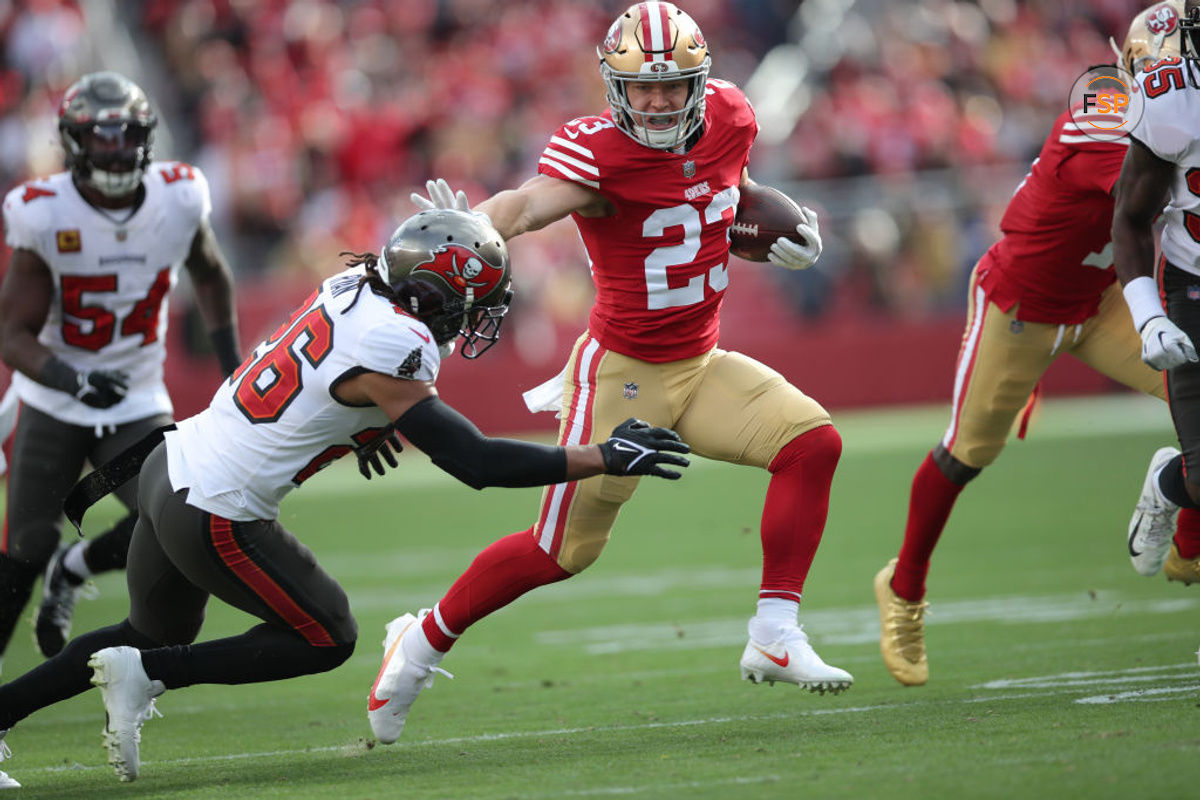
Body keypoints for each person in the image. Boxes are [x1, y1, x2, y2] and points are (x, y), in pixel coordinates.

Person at [0, 207, 690, 788]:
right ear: (436, 298)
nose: (476, 321)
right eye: (473, 306)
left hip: (170, 461)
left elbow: (322, 380)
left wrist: (361, 426)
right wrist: (603, 454)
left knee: (147, 630)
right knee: (327, 634)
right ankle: (150, 673)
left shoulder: (353, 285)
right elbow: (473, 460)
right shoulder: (399, 344)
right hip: (213, 507)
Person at [367, 1, 848, 748]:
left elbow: (723, 195)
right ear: (614, 85)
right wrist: (477, 228)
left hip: (702, 360)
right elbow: (528, 205)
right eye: (642, 88)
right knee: (562, 552)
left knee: (812, 444)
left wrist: (778, 231)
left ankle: (775, 631)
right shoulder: (596, 151)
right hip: (622, 371)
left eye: (672, 87)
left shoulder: (732, 115)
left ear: (700, 82)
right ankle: (421, 642)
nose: (657, 102)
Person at [873, 0, 1200, 688]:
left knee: (1194, 389)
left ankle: (1187, 531)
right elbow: (1148, 200)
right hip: (1024, 307)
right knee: (967, 453)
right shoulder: (1107, 127)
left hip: (1106, 298)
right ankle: (903, 590)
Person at [0, 71, 242, 666]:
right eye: (101, 138)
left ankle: (74, 568)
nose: (117, 149)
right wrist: (70, 379)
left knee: (171, 516)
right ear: (74, 142)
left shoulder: (179, 195)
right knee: (27, 543)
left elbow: (210, 272)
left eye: (128, 135)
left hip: (135, 402)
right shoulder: (44, 211)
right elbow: (11, 332)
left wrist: (232, 366)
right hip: (56, 402)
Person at [1113, 2, 1200, 593]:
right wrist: (1147, 318)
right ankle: (1173, 483)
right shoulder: (1171, 95)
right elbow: (1130, 216)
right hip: (1194, 287)